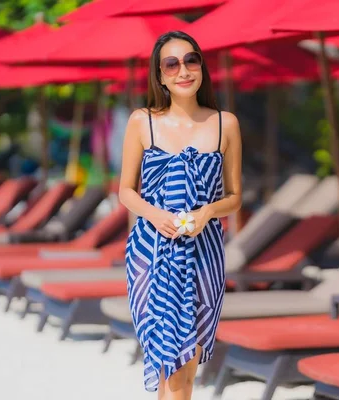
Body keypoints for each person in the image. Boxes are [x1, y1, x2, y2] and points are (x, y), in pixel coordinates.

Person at [118, 31, 242, 400]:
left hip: (204, 254)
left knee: (186, 372)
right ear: (159, 75)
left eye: (191, 60)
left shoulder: (226, 123)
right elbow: (126, 190)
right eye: (171, 64)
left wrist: (207, 212)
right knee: (168, 370)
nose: (183, 70)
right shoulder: (143, 121)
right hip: (152, 253)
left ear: (201, 66)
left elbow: (235, 197)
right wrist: (156, 215)